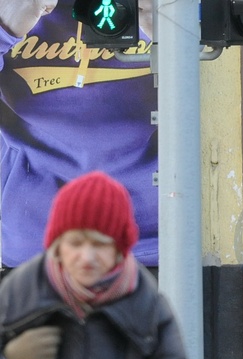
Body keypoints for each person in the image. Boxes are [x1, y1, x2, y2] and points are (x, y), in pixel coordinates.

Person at [0, 171, 193, 359]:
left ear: (119, 249)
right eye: (76, 243)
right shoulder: (16, 298)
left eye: (100, 244)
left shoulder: (149, 308)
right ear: (58, 245)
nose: (87, 257)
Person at [0, 0, 158, 270]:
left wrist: (175, 38)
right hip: (34, 250)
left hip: (162, 246)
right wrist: (4, 30)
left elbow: (218, 113)